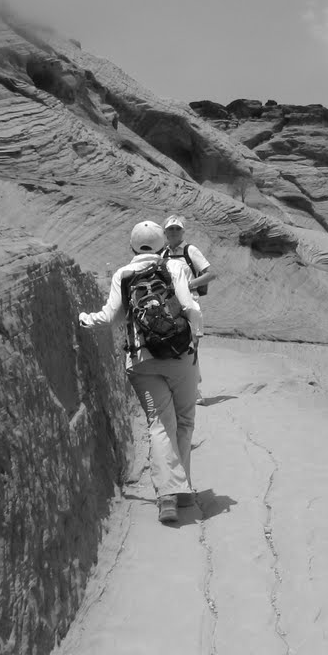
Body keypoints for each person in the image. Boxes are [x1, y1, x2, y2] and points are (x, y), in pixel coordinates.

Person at [78, 220, 202, 525]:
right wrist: (195, 336)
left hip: (141, 360)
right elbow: (190, 307)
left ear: (133, 246)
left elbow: (110, 318)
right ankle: (181, 488)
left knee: (159, 424)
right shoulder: (174, 268)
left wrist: (84, 318)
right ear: (162, 245)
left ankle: (168, 496)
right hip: (180, 356)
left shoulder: (123, 274)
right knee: (184, 421)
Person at [160, 216, 217, 404]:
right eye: (170, 229)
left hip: (189, 304)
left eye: (177, 229)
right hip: (169, 305)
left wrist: (187, 284)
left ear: (182, 232)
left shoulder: (189, 250)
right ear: (165, 232)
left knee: (191, 346)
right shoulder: (162, 254)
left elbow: (210, 273)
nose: (174, 232)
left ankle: (194, 389)